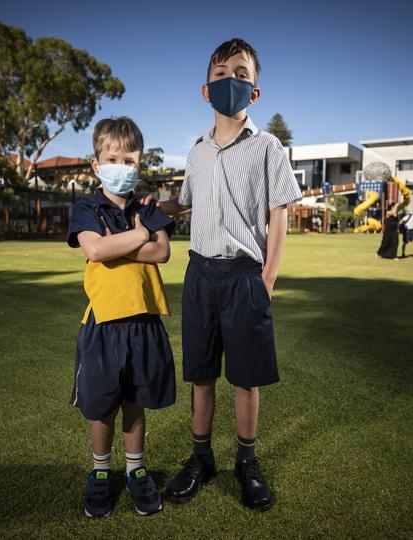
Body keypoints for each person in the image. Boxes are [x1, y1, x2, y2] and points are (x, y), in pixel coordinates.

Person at [146, 38, 302, 511]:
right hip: (199, 274)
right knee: (201, 374)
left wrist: (267, 280)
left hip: (244, 276)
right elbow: (184, 202)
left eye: (240, 73)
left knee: (246, 377)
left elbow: (279, 215)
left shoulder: (269, 147)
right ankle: (201, 458)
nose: (228, 80)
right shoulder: (195, 151)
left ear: (254, 92)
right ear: (204, 89)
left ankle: (246, 461)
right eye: (220, 73)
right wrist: (154, 206)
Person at [67, 117, 177, 518]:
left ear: (139, 165)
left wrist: (124, 242)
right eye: (112, 158)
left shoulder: (145, 207)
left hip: (144, 321)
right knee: (102, 405)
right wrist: (140, 236)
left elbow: (162, 252)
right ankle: (100, 473)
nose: (121, 165)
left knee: (135, 401)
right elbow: (94, 251)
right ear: (96, 164)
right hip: (104, 324)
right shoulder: (85, 208)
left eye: (129, 160)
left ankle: (135, 470)